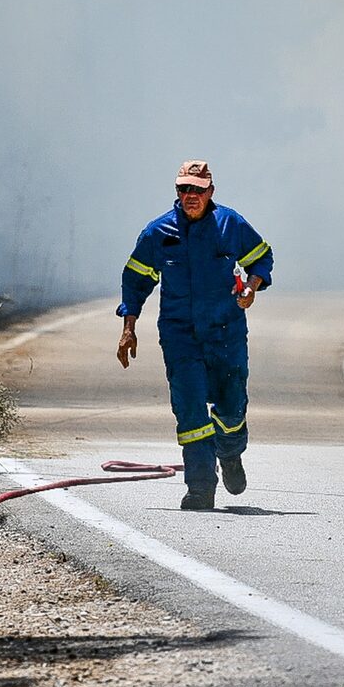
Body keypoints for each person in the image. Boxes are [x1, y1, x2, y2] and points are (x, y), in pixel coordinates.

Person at [116, 160, 274, 510]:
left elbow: (261, 258)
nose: (190, 196)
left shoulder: (230, 225)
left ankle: (230, 454)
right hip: (180, 337)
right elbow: (135, 282)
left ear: (210, 192)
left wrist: (251, 287)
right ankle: (200, 488)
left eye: (197, 190)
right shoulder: (158, 234)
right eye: (184, 189)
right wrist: (128, 328)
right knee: (190, 413)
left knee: (231, 410)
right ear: (177, 192)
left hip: (226, 334)